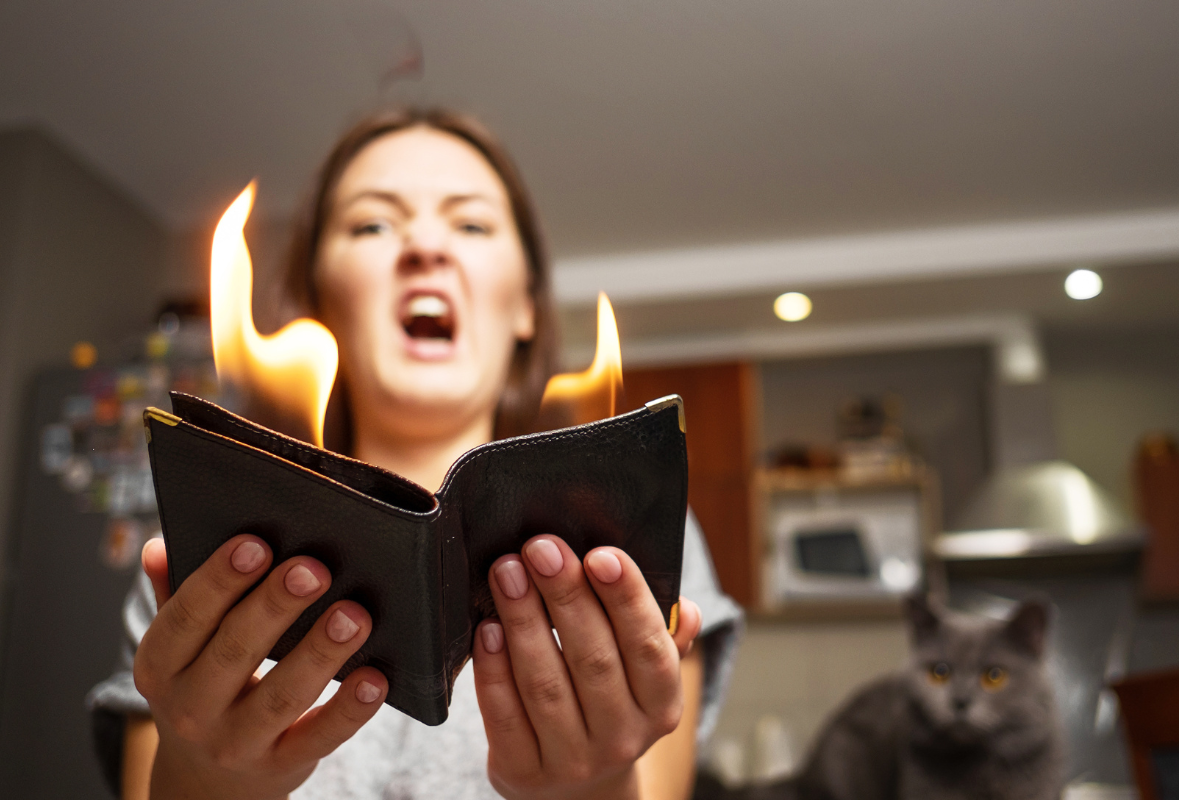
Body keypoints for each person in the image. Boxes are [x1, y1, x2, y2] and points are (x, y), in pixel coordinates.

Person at [88, 107, 743, 800]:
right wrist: (202, 777)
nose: (425, 247)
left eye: (472, 224)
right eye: (372, 224)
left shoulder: (627, 531)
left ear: (525, 304)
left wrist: (598, 785)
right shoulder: (210, 560)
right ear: (320, 303)